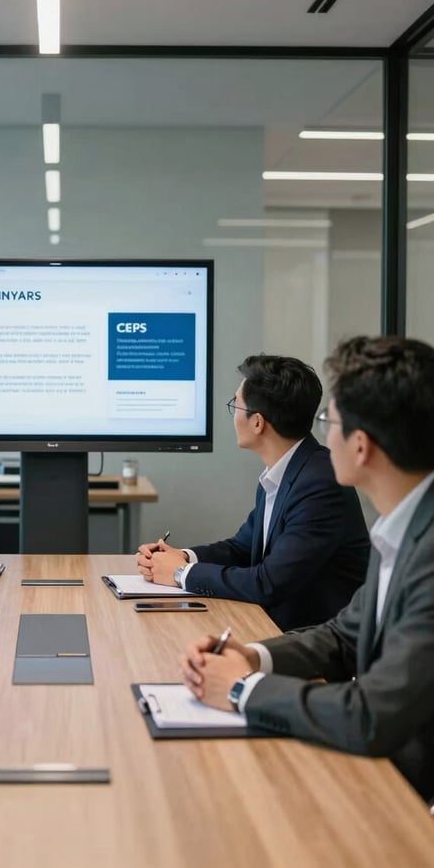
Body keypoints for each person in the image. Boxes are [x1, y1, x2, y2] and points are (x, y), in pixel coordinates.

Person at [181, 335, 434, 803]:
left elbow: (372, 716)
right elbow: (344, 635)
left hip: (409, 797)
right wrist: (252, 656)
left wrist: (242, 689)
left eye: (328, 421)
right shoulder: (401, 525)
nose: (320, 437)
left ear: (361, 447)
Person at [136, 354, 370, 631]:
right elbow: (243, 547)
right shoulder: (284, 472)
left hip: (314, 643)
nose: (233, 412)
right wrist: (183, 556)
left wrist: (178, 573)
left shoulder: (320, 484)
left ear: (258, 422)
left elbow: (267, 583)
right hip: (277, 627)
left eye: (236, 404)